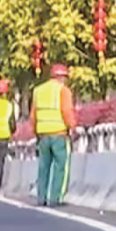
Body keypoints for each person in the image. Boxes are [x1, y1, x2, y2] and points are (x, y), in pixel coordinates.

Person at [33, 64, 77, 207]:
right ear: (61, 77)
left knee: (43, 167)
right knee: (61, 167)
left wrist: (36, 132)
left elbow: (33, 115)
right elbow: (67, 111)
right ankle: (56, 198)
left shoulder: (38, 91)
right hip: (59, 134)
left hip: (43, 135)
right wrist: (73, 128)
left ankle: (41, 197)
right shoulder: (63, 91)